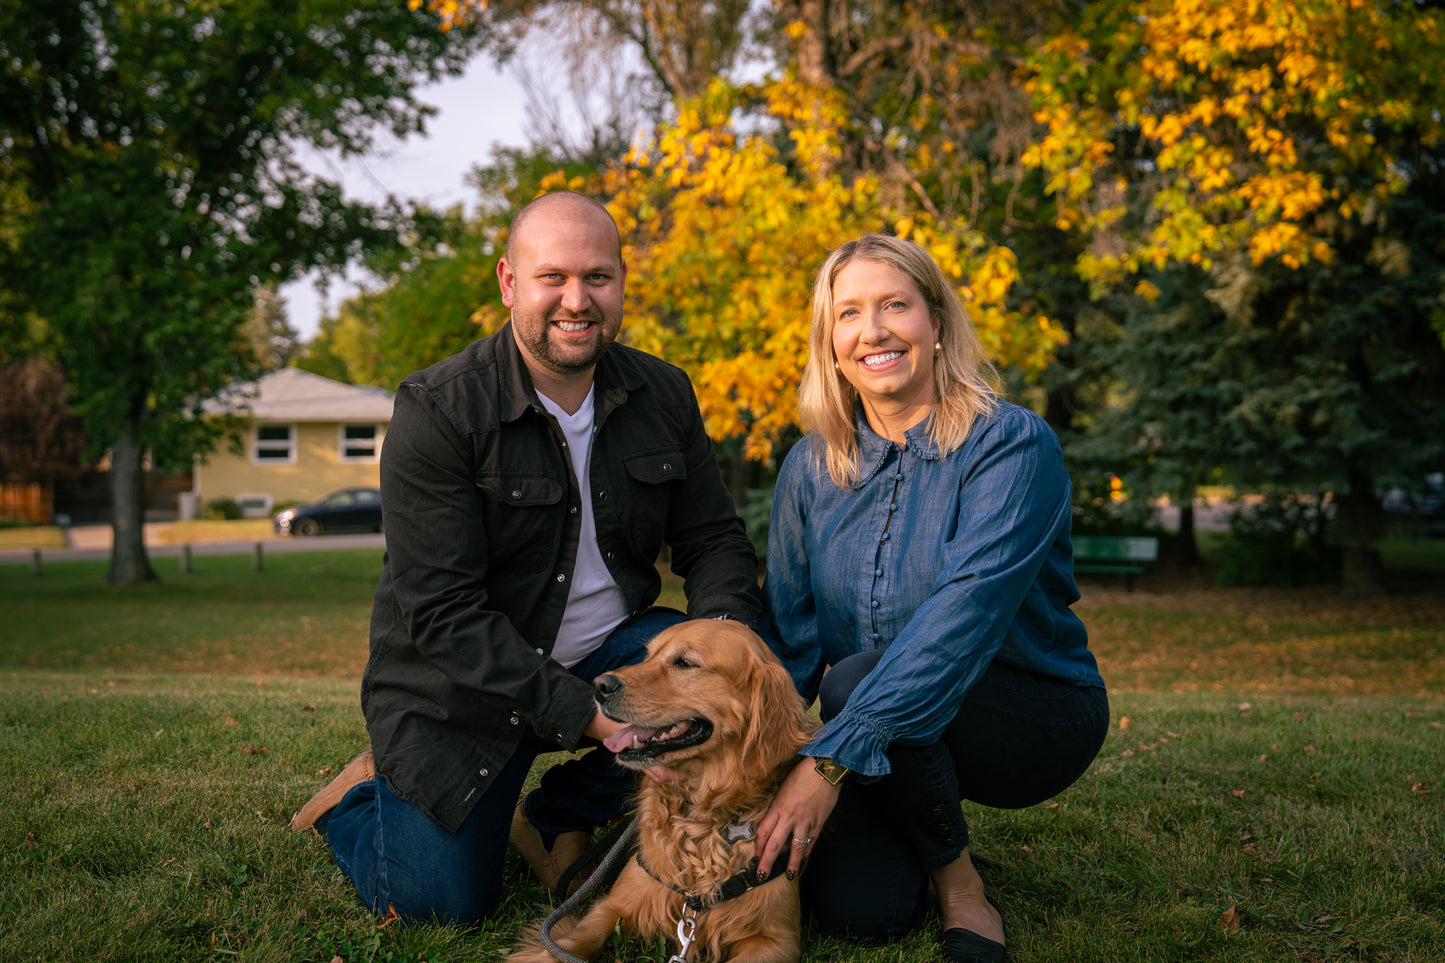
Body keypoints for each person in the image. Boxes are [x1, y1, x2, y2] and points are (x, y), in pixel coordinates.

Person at [288, 190, 764, 925]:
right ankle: (360, 801)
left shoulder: (662, 391)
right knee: (439, 904)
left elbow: (713, 539)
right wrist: (593, 718)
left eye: (597, 278)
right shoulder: (439, 410)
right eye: (553, 278)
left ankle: (557, 806)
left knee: (738, 704)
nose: (577, 300)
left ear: (621, 282)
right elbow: (441, 614)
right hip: (462, 689)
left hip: (611, 657)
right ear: (510, 282)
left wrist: (726, 647)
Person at [752, 234, 1109, 963]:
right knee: (859, 912)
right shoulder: (809, 468)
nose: (873, 330)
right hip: (878, 727)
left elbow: (959, 626)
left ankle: (959, 882)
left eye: (894, 306)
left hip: (1025, 711)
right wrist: (763, 768)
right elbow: (789, 641)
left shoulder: (1011, 444)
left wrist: (826, 765)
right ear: (830, 341)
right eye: (848, 313)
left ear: (936, 322)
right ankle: (916, 823)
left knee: (859, 680)